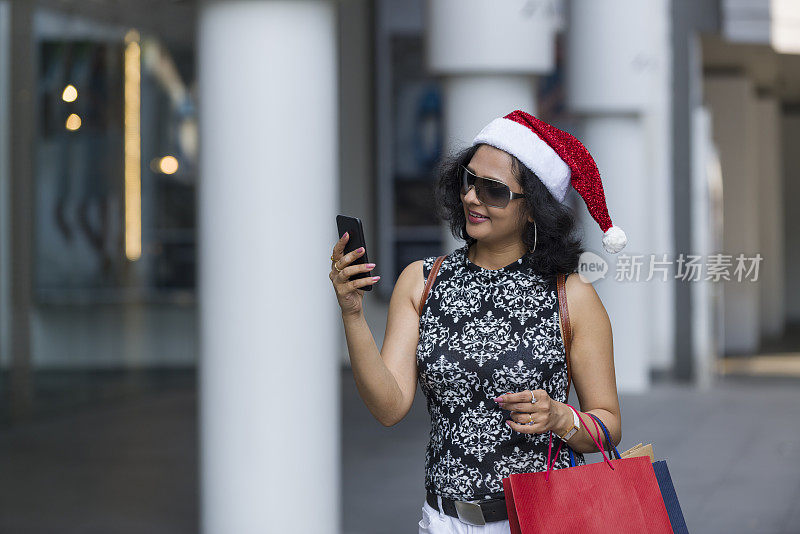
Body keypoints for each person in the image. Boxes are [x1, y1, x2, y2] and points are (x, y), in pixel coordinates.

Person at [329, 110, 627, 532]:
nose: (472, 198)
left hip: (537, 520)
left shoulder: (572, 296)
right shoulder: (422, 280)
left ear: (533, 209)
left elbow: (608, 424)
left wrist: (562, 418)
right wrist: (353, 313)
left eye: (494, 191)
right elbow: (390, 407)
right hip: (443, 520)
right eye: (469, 181)